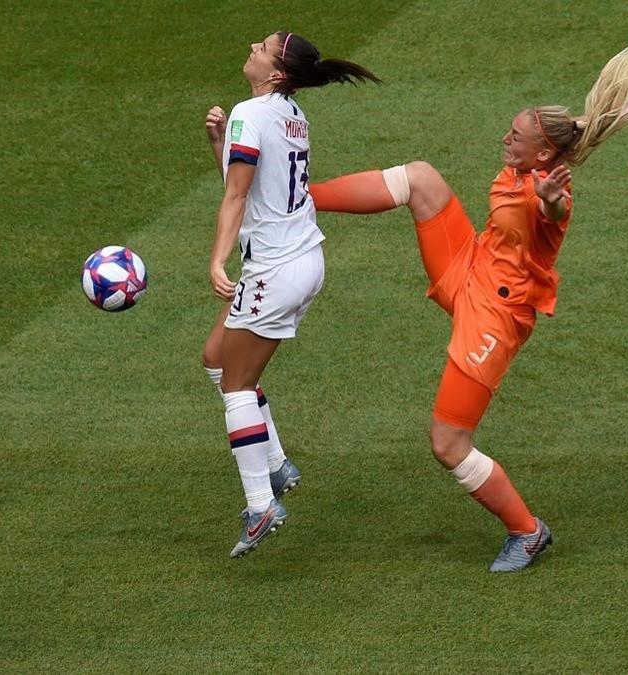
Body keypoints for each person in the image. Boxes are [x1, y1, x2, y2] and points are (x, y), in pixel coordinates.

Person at [308, 47, 628, 571]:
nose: (505, 139)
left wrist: (549, 199)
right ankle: (301, 198)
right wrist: (605, 118)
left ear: (542, 156)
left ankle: (527, 531)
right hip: (470, 264)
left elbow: (554, 210)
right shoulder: (541, 152)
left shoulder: (549, 192)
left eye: (515, 137)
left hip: (496, 315)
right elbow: (574, 130)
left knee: (448, 442)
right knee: (421, 177)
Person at [203, 32, 379, 558]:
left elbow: (236, 195)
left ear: (277, 71)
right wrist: (219, 144)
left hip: (275, 270)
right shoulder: (290, 114)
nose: (253, 45)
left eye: (264, 46)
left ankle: (261, 505)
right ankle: (276, 463)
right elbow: (250, 184)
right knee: (216, 360)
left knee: (237, 387)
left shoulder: (250, 112)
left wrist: (217, 258)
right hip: (303, 260)